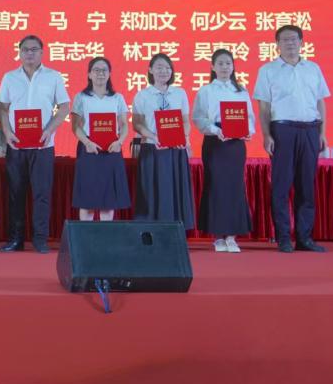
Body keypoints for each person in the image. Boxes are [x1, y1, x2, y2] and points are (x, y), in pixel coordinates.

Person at [254, 25, 331, 253]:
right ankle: (284, 238)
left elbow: (320, 102)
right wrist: (266, 134)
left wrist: (322, 133)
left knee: (306, 186)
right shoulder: (268, 70)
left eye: (294, 39)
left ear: (302, 42)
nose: (290, 43)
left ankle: (304, 238)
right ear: (277, 44)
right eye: (285, 40)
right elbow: (264, 107)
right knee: (281, 185)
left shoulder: (313, 68)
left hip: (310, 130)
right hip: (282, 130)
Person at [0, 35, 71, 254]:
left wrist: (49, 130)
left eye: (34, 49)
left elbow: (64, 107)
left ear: (42, 52)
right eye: (25, 50)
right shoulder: (10, 77)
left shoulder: (53, 77)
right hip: (16, 145)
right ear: (20, 53)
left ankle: (40, 239)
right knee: (16, 194)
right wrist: (7, 132)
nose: (29, 53)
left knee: (41, 194)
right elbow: (2, 108)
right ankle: (16, 239)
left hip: (43, 146)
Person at [192, 49, 255, 252]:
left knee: (235, 186)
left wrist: (248, 131)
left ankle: (232, 236)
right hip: (215, 142)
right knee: (216, 185)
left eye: (228, 63)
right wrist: (215, 130)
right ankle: (218, 236)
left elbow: (250, 117)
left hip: (235, 145)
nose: (225, 67)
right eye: (220, 63)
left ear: (233, 66)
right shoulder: (206, 91)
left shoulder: (241, 90)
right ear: (212, 67)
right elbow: (198, 118)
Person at [132, 53, 195, 229]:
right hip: (152, 149)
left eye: (168, 68)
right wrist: (154, 137)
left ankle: (175, 231)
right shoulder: (142, 95)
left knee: (174, 192)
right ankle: (151, 231)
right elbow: (137, 124)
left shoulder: (180, 93)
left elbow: (185, 121)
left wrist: (184, 137)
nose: (164, 71)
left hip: (176, 150)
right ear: (150, 70)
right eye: (159, 67)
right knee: (152, 193)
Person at [70, 57, 131, 221]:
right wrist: (87, 142)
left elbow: (124, 124)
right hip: (89, 149)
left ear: (109, 74)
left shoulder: (117, 98)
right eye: (96, 70)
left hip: (112, 148)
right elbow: (75, 126)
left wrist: (120, 142)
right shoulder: (81, 97)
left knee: (108, 201)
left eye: (104, 70)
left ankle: (105, 235)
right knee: (87, 201)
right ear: (89, 74)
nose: (100, 73)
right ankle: (86, 235)